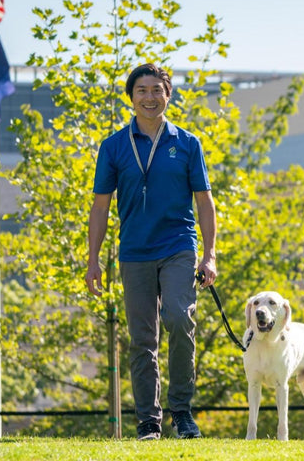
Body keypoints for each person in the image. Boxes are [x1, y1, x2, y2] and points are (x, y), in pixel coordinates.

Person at [85, 63, 217, 440]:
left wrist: (210, 255)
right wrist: (92, 260)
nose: (149, 97)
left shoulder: (187, 143)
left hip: (178, 246)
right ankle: (148, 420)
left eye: (156, 90)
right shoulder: (113, 147)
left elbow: (205, 202)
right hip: (134, 253)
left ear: (168, 95)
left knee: (179, 318)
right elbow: (100, 207)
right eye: (141, 90)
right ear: (131, 97)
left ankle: (182, 411)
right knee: (143, 338)